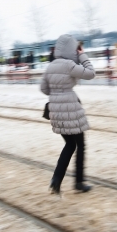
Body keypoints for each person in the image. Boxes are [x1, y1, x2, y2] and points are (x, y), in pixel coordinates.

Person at [41, 34, 96, 195]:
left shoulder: (50, 66)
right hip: (71, 111)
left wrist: (57, 92)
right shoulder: (69, 65)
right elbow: (90, 73)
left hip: (56, 112)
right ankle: (78, 182)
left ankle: (56, 180)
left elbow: (44, 89)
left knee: (70, 144)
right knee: (80, 145)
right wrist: (82, 55)